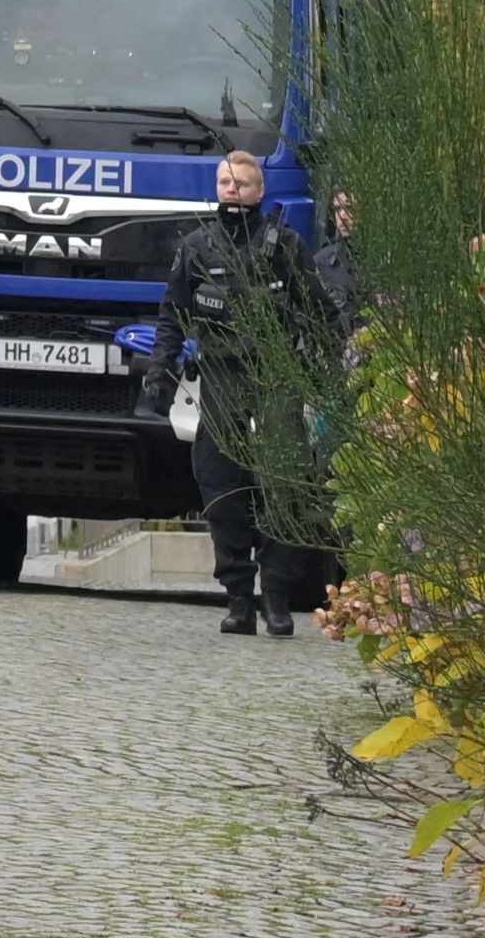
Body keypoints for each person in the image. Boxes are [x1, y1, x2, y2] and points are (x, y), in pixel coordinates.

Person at [161, 148, 338, 635]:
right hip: (221, 376)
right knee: (221, 486)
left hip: (276, 376)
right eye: (224, 183)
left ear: (260, 191)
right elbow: (171, 316)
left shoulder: (285, 245)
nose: (232, 191)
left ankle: (276, 596)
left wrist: (326, 375)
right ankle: (238, 598)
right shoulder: (197, 245)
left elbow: (321, 313)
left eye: (240, 183)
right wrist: (160, 372)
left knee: (285, 484)